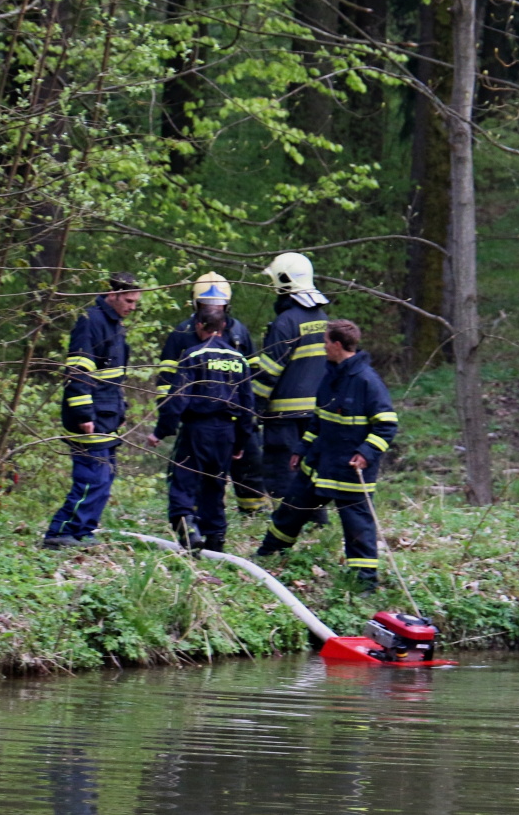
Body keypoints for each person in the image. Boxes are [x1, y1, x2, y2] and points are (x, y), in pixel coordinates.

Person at [254, 320, 397, 591]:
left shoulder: (368, 381)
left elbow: (387, 424)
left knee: (358, 529)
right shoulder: (329, 376)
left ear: (338, 345)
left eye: (326, 342)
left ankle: (364, 584)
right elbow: (318, 421)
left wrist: (366, 453)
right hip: (318, 465)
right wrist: (301, 449)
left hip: (350, 472)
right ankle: (268, 554)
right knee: (291, 510)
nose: (323, 347)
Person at [154, 272, 266, 515]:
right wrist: (169, 414)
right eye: (208, 306)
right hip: (197, 421)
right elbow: (166, 377)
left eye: (219, 307)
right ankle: (197, 519)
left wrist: (251, 416)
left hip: (235, 419)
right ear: (197, 306)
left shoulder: (239, 333)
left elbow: (253, 376)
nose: (214, 310)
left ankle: (252, 513)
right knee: (194, 472)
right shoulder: (182, 334)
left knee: (248, 464)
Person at [43, 273, 140, 550]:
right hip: (91, 417)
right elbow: (78, 371)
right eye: (129, 300)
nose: (132, 307)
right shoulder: (91, 322)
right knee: (91, 478)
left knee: (105, 476)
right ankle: (61, 532)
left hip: (108, 415)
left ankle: (83, 531)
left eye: (136, 302)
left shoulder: (115, 326)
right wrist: (84, 414)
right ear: (113, 295)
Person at [153, 305, 254, 553]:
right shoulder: (239, 360)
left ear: (199, 326)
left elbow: (178, 399)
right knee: (215, 486)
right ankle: (215, 540)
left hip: (198, 430)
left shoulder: (193, 355)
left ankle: (188, 533)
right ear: (223, 328)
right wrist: (241, 442)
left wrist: (160, 431)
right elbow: (248, 405)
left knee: (184, 482)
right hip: (226, 434)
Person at [251, 253, 331, 505]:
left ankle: (286, 523)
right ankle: (316, 518)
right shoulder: (321, 318)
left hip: (284, 414)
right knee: (310, 467)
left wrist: (253, 405)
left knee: (283, 470)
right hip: (316, 412)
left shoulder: (285, 322)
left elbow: (269, 371)